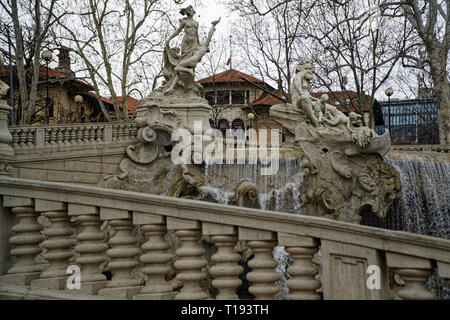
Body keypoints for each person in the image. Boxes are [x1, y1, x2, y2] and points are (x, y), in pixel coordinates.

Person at [164, 18, 220, 94]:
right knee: (179, 72)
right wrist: (213, 26)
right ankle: (172, 88)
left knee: (177, 68)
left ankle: (188, 72)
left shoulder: (197, 48)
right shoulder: (203, 47)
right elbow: (209, 36)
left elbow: (207, 36)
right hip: (193, 61)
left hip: (191, 61)